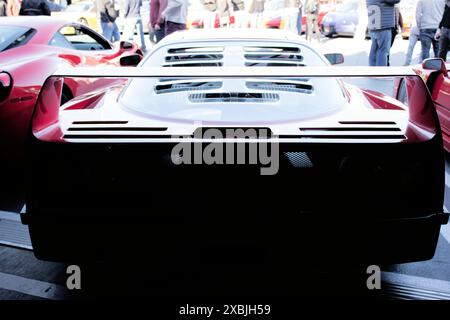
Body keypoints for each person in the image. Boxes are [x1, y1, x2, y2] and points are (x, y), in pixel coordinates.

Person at [366, 0, 400, 67]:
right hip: (383, 26)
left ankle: (372, 71)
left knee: (374, 50)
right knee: (383, 51)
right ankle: (381, 74)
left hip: (373, 25)